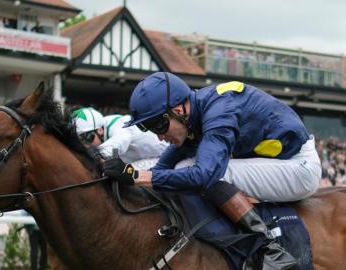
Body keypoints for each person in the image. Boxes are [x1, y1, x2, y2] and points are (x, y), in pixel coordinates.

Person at [104, 72, 321, 270]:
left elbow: (203, 175)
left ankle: (268, 250)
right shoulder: (194, 114)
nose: (159, 137)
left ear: (178, 110)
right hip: (278, 162)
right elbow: (160, 169)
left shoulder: (220, 111)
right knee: (181, 167)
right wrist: (123, 178)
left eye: (158, 126)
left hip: (300, 167)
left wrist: (136, 175)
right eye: (150, 130)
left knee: (210, 172)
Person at [72, 107, 168, 169]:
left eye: (87, 138)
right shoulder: (101, 126)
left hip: (161, 157)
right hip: (141, 159)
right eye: (81, 140)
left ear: (100, 130)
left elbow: (119, 143)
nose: (86, 145)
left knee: (126, 173)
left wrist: (95, 157)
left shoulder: (120, 125)